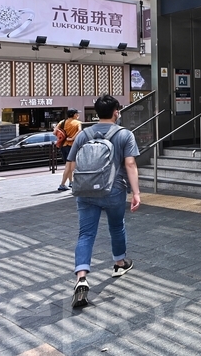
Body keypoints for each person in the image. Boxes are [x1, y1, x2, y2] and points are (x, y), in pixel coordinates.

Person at [68, 95, 140, 308]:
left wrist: (77, 184)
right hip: (113, 190)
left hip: (85, 192)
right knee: (116, 226)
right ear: (116, 112)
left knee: (85, 234)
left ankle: (81, 278)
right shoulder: (124, 134)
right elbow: (130, 164)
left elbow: (72, 163)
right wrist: (136, 192)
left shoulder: (84, 134)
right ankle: (119, 263)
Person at [57, 108, 81, 191]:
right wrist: (72, 138)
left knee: (68, 165)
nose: (78, 115)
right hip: (72, 146)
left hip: (63, 145)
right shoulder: (78, 123)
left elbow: (55, 132)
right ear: (74, 115)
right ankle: (62, 184)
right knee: (69, 166)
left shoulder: (62, 122)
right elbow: (80, 131)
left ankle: (71, 182)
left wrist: (63, 137)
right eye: (77, 114)